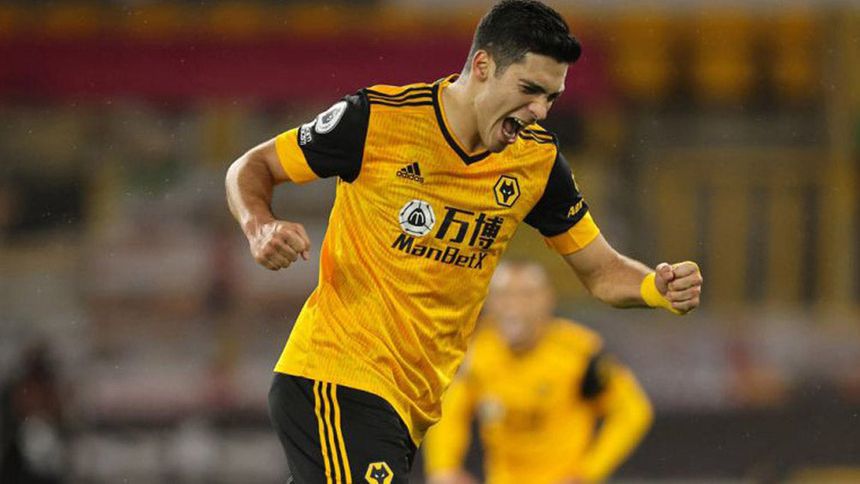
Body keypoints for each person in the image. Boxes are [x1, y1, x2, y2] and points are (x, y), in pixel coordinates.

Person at [224, 1, 703, 482]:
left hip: (408, 408)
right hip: (337, 377)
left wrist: (655, 287)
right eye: (529, 90)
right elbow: (253, 165)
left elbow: (601, 271)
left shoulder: (536, 164)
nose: (539, 111)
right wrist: (260, 225)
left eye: (551, 97)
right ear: (483, 66)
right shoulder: (377, 120)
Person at [423, 261, 653, 484]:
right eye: (504, 296)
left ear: (547, 300)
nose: (513, 307)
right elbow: (449, 412)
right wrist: (443, 469)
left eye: (526, 295)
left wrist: (587, 472)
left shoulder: (580, 352)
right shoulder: (476, 352)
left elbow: (632, 411)